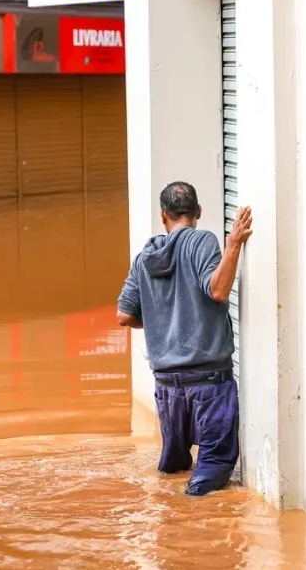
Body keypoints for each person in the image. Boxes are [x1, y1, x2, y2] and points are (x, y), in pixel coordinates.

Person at [116, 181, 253, 496]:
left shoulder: (144, 258)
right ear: (199, 212)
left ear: (163, 215)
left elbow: (123, 316)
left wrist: (158, 324)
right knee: (210, 474)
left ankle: (169, 526)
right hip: (209, 382)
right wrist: (233, 245)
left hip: (166, 387)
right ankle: (191, 526)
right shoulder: (202, 242)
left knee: (173, 469)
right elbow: (218, 291)